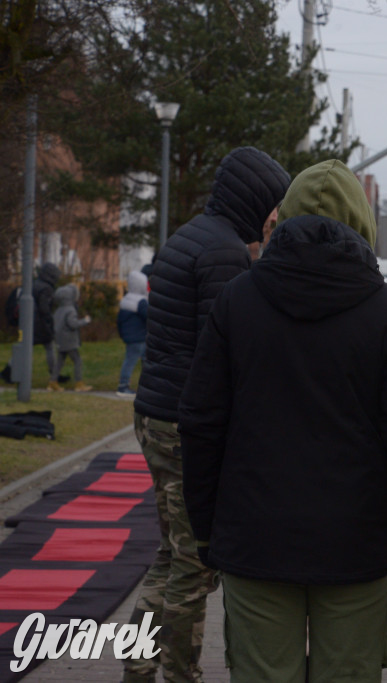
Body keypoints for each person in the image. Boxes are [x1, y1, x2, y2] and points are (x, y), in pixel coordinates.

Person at [179, 159, 387, 682]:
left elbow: (201, 423)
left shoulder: (238, 300)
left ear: (283, 217)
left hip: (254, 541)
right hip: (358, 547)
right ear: (363, 223)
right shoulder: (386, 311)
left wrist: (206, 533)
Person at [126, 146, 290, 683]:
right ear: (255, 200)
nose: (274, 218)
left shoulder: (189, 236)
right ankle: (178, 673)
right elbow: (225, 355)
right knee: (193, 564)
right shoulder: (224, 254)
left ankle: (139, 664)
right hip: (183, 427)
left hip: (156, 413)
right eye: (273, 206)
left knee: (171, 557)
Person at [48, 283, 92, 392]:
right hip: (69, 340)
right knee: (77, 360)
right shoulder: (70, 310)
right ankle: (79, 384)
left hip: (59, 339)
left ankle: (52, 382)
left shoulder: (58, 310)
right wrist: (85, 321)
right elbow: (73, 324)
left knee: (60, 362)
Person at [116, 270, 149, 398]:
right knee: (140, 361)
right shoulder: (141, 302)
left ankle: (124, 385)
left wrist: (122, 335)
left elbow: (119, 321)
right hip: (140, 337)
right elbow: (148, 317)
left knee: (130, 360)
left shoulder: (126, 300)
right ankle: (124, 387)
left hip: (130, 337)